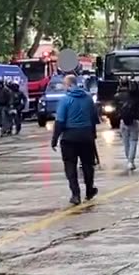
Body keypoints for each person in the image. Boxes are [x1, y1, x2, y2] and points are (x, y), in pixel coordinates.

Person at [50, 74, 99, 205]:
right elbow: (94, 118)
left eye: (65, 84)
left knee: (70, 165)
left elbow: (59, 121)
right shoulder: (88, 98)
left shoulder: (65, 100)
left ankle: (75, 194)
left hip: (69, 137)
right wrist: (93, 134)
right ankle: (89, 190)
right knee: (88, 165)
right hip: (86, 136)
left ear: (69, 84)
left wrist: (54, 139)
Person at [113, 79, 139, 172]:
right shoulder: (135, 96)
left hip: (123, 121)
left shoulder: (117, 96)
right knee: (133, 141)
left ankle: (128, 160)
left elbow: (116, 109)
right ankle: (131, 161)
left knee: (126, 142)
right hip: (134, 120)